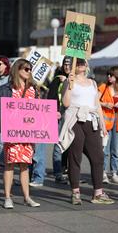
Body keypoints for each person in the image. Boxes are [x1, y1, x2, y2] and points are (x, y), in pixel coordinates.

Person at [58, 58, 114, 205]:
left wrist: (102, 124)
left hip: (91, 120)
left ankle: (98, 193)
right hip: (75, 120)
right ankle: (75, 192)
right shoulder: (68, 82)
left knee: (98, 157)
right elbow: (65, 103)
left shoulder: (93, 82)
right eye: (78, 63)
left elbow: (97, 106)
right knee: (75, 157)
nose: (81, 64)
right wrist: (69, 85)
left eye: (83, 62)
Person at [0, 59, 40, 209]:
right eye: (26, 69)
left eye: (30, 69)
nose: (29, 71)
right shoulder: (6, 89)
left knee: (25, 165)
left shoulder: (34, 89)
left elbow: (39, 111)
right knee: (9, 164)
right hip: (12, 132)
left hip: (28, 133)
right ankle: (7, 197)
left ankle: (27, 197)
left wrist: (52, 116)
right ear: (17, 69)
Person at [99, 66, 118, 184]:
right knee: (105, 149)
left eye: (111, 75)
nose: (108, 77)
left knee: (115, 149)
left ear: (117, 76)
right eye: (108, 75)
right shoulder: (103, 87)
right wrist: (105, 104)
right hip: (106, 122)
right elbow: (95, 101)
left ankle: (114, 173)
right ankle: (103, 173)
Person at [47, 56, 72, 184]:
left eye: (69, 64)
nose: (67, 66)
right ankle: (58, 173)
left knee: (71, 145)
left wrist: (68, 80)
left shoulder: (75, 79)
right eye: (65, 64)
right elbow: (51, 97)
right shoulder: (57, 79)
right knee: (58, 145)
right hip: (60, 115)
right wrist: (55, 111)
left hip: (73, 116)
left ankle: (67, 170)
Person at [0, 56, 11, 170]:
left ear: (6, 65)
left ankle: (4, 163)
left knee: (3, 140)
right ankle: (2, 162)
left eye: (0, 64)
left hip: (8, 113)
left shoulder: (10, 79)